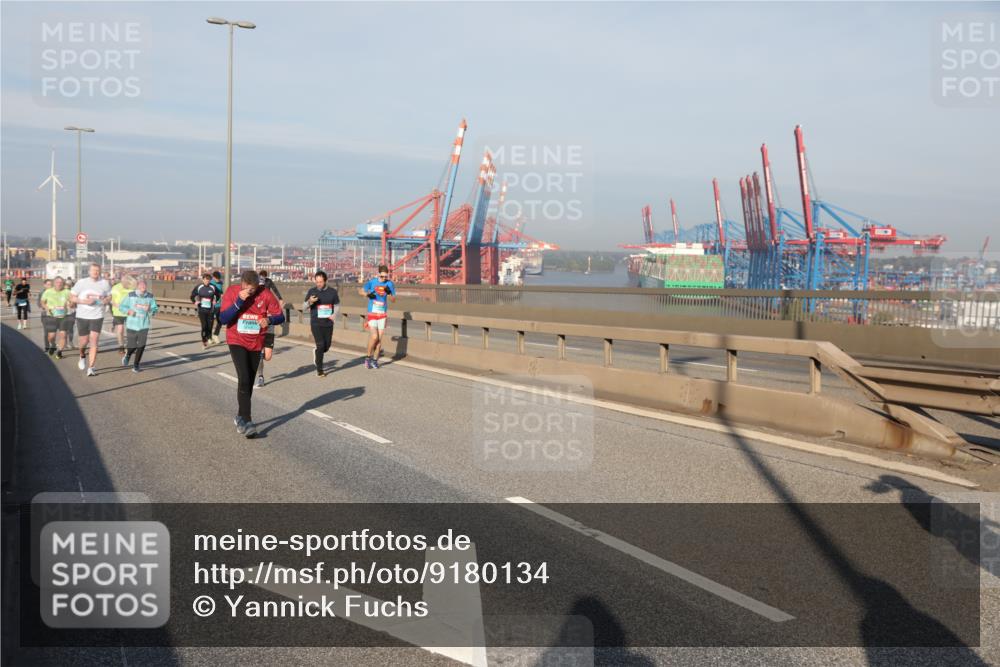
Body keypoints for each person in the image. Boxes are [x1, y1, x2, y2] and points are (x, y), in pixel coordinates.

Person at [219, 270, 285, 438]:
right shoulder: (232, 292)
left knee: (248, 382)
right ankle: (248, 421)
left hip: (256, 343)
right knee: (244, 378)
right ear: (242, 284)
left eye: (253, 290)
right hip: (236, 340)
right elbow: (223, 319)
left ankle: (240, 416)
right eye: (248, 289)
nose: (251, 292)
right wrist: (239, 301)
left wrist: (269, 320)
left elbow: (280, 316)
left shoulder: (265, 293)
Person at [70, 263, 111, 377]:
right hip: (82, 316)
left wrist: (105, 301)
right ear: (89, 272)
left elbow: (109, 296)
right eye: (93, 270)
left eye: (97, 270)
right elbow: (71, 297)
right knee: (83, 341)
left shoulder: (104, 283)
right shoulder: (81, 283)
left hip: (97, 316)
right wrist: (84, 301)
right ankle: (82, 355)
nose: (95, 272)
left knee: (94, 341)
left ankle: (91, 367)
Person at [303, 270, 340, 377]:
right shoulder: (312, 291)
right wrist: (310, 301)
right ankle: (320, 370)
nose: (318, 284)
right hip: (316, 323)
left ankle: (317, 353)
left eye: (321, 282)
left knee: (326, 347)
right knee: (320, 345)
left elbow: (337, 305)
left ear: (325, 281)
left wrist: (334, 315)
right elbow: (303, 307)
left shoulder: (332, 292)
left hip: (328, 323)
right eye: (317, 282)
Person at [359, 265, 396, 369]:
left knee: (379, 340)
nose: (384, 279)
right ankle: (367, 358)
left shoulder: (389, 283)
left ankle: (375, 360)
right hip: (372, 313)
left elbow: (394, 300)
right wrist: (367, 295)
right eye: (382, 276)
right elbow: (360, 291)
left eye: (386, 277)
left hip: (382, 314)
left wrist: (389, 293)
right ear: (378, 274)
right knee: (374, 337)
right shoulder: (372, 282)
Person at [119, 278, 159, 373]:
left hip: (144, 325)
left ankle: (136, 365)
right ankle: (128, 355)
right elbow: (121, 307)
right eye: (141, 285)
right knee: (132, 346)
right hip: (132, 324)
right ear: (137, 286)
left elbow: (155, 309)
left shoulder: (150, 296)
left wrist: (151, 310)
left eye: (144, 285)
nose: (143, 287)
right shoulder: (130, 295)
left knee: (141, 345)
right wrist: (128, 311)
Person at [255, 270, 285, 386]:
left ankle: (259, 356)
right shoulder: (253, 298)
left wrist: (280, 300)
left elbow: (279, 315)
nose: (262, 289)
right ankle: (260, 376)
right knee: (258, 354)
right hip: (257, 328)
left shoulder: (270, 297)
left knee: (267, 357)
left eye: (264, 287)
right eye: (260, 287)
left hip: (269, 327)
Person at [41, 277, 72, 359]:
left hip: (64, 317)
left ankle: (59, 351)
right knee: (51, 336)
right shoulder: (48, 291)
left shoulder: (67, 292)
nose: (59, 283)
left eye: (61, 282)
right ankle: (53, 344)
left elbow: (72, 302)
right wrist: (47, 308)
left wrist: (71, 304)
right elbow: (42, 302)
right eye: (57, 282)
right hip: (51, 316)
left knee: (63, 335)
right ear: (54, 283)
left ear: (63, 283)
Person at [190, 273, 219, 348]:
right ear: (203, 279)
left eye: (208, 280)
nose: (207, 281)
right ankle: (204, 341)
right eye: (205, 279)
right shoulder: (199, 287)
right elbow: (192, 296)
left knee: (210, 326)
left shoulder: (213, 287)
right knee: (204, 326)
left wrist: (215, 300)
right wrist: (195, 302)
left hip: (211, 310)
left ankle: (209, 337)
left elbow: (218, 295)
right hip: (202, 310)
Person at [110, 275, 136, 355]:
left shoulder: (132, 287)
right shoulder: (115, 288)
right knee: (120, 329)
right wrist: (118, 306)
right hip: (118, 312)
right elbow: (111, 300)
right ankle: (121, 345)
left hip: (129, 312)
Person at [37, 279, 54, 350]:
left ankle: (52, 344)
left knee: (53, 332)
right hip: (45, 315)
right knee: (46, 331)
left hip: (54, 315)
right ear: (44, 285)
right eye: (48, 284)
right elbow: (39, 304)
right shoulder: (42, 293)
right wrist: (45, 307)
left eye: (51, 284)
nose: (50, 286)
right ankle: (47, 346)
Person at [210, 271, 224, 344]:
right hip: (211, 305)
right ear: (214, 277)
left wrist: (222, 294)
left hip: (219, 305)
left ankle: (215, 335)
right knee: (211, 321)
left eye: (219, 279)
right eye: (217, 279)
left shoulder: (220, 283)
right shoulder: (210, 283)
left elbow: (221, 292)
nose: (218, 280)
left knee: (220, 320)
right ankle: (209, 337)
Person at [64, 278, 76, 349]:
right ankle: (64, 343)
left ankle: (70, 342)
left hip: (71, 312)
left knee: (70, 328)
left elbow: (75, 302)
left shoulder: (73, 292)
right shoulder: (61, 292)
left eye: (69, 284)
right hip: (63, 313)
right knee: (63, 329)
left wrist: (73, 303)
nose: (67, 286)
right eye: (66, 284)